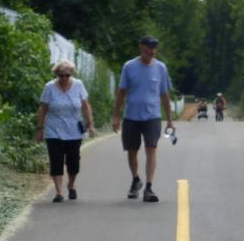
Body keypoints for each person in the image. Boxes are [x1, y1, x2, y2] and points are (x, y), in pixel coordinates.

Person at [111, 35, 173, 203]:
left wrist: (169, 119)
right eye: (148, 48)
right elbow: (121, 92)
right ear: (141, 48)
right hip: (131, 116)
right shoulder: (129, 67)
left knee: (151, 148)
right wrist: (116, 115)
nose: (151, 51)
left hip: (152, 116)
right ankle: (135, 179)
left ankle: (149, 187)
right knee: (132, 150)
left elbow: (164, 94)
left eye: (153, 48)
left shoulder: (161, 68)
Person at [35, 59, 96, 202]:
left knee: (73, 162)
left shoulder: (79, 85)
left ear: (71, 74)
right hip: (53, 130)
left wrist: (90, 124)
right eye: (61, 75)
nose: (64, 78)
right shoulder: (49, 87)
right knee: (56, 160)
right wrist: (39, 128)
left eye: (67, 76)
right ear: (57, 74)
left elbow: (85, 106)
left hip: (74, 130)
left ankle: (71, 185)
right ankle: (59, 192)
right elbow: (43, 109)